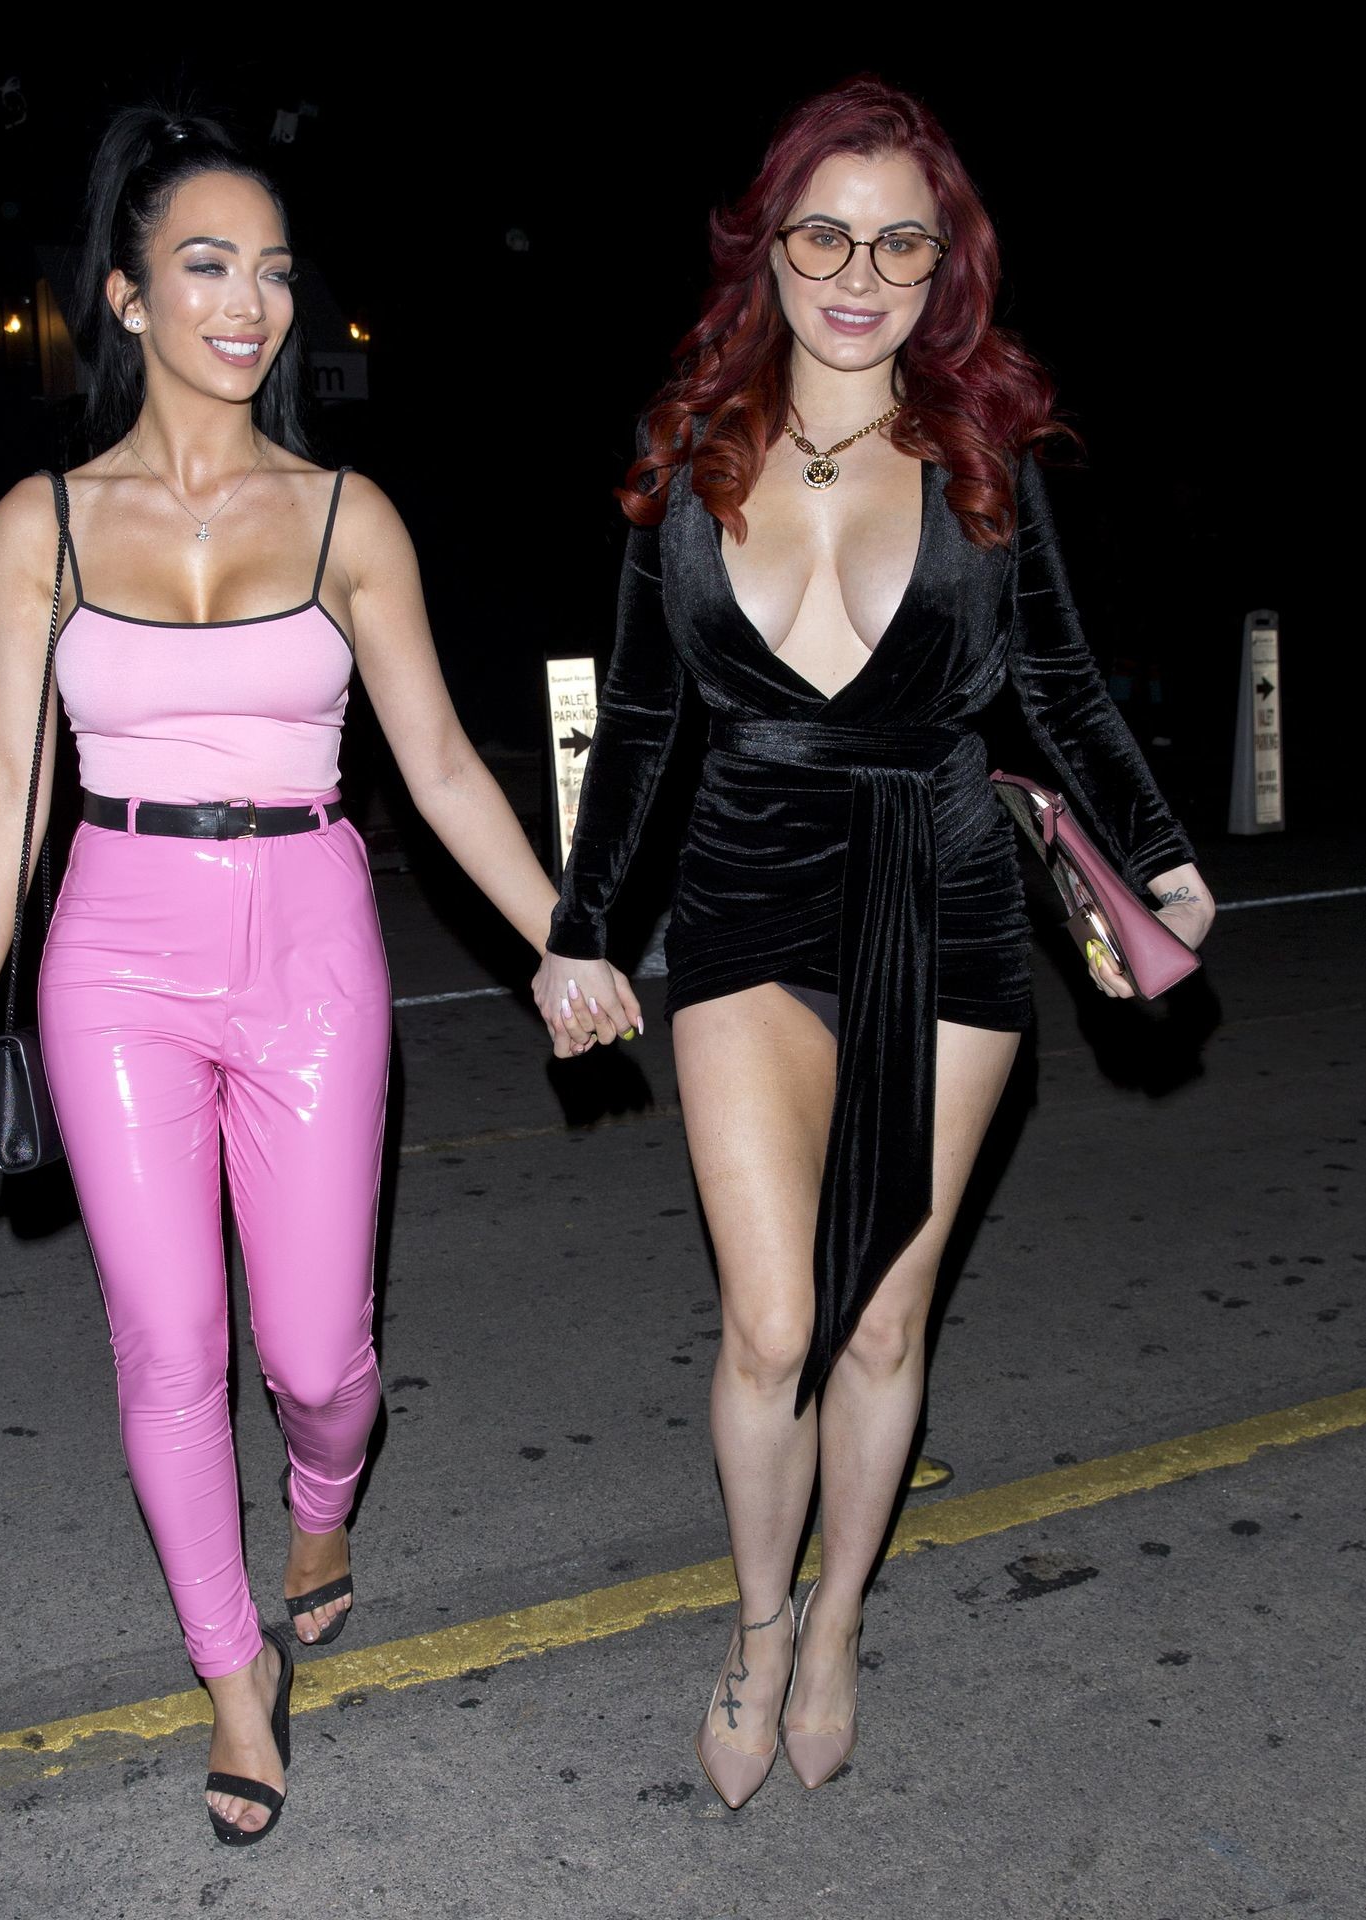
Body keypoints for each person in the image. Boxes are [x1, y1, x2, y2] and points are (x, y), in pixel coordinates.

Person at [0, 108, 611, 1847]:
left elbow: (436, 764)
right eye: (207, 266)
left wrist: (561, 934)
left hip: (306, 931)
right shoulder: (39, 524)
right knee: (166, 1343)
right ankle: (233, 1675)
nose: (249, 304)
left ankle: (323, 1493)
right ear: (126, 296)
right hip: (113, 946)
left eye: (274, 272)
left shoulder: (344, 516)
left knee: (316, 1353)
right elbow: (10, 790)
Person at [533, 77, 1214, 1808]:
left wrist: (1158, 860)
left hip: (948, 900)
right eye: (824, 234)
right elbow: (639, 720)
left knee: (883, 1328)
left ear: (942, 267)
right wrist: (579, 929)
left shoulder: (982, 460)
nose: (858, 273)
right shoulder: (689, 450)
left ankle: (838, 1620)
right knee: (773, 1325)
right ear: (766, 247)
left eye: (898, 242)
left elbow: (1060, 682)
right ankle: (757, 1624)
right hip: (746, 894)